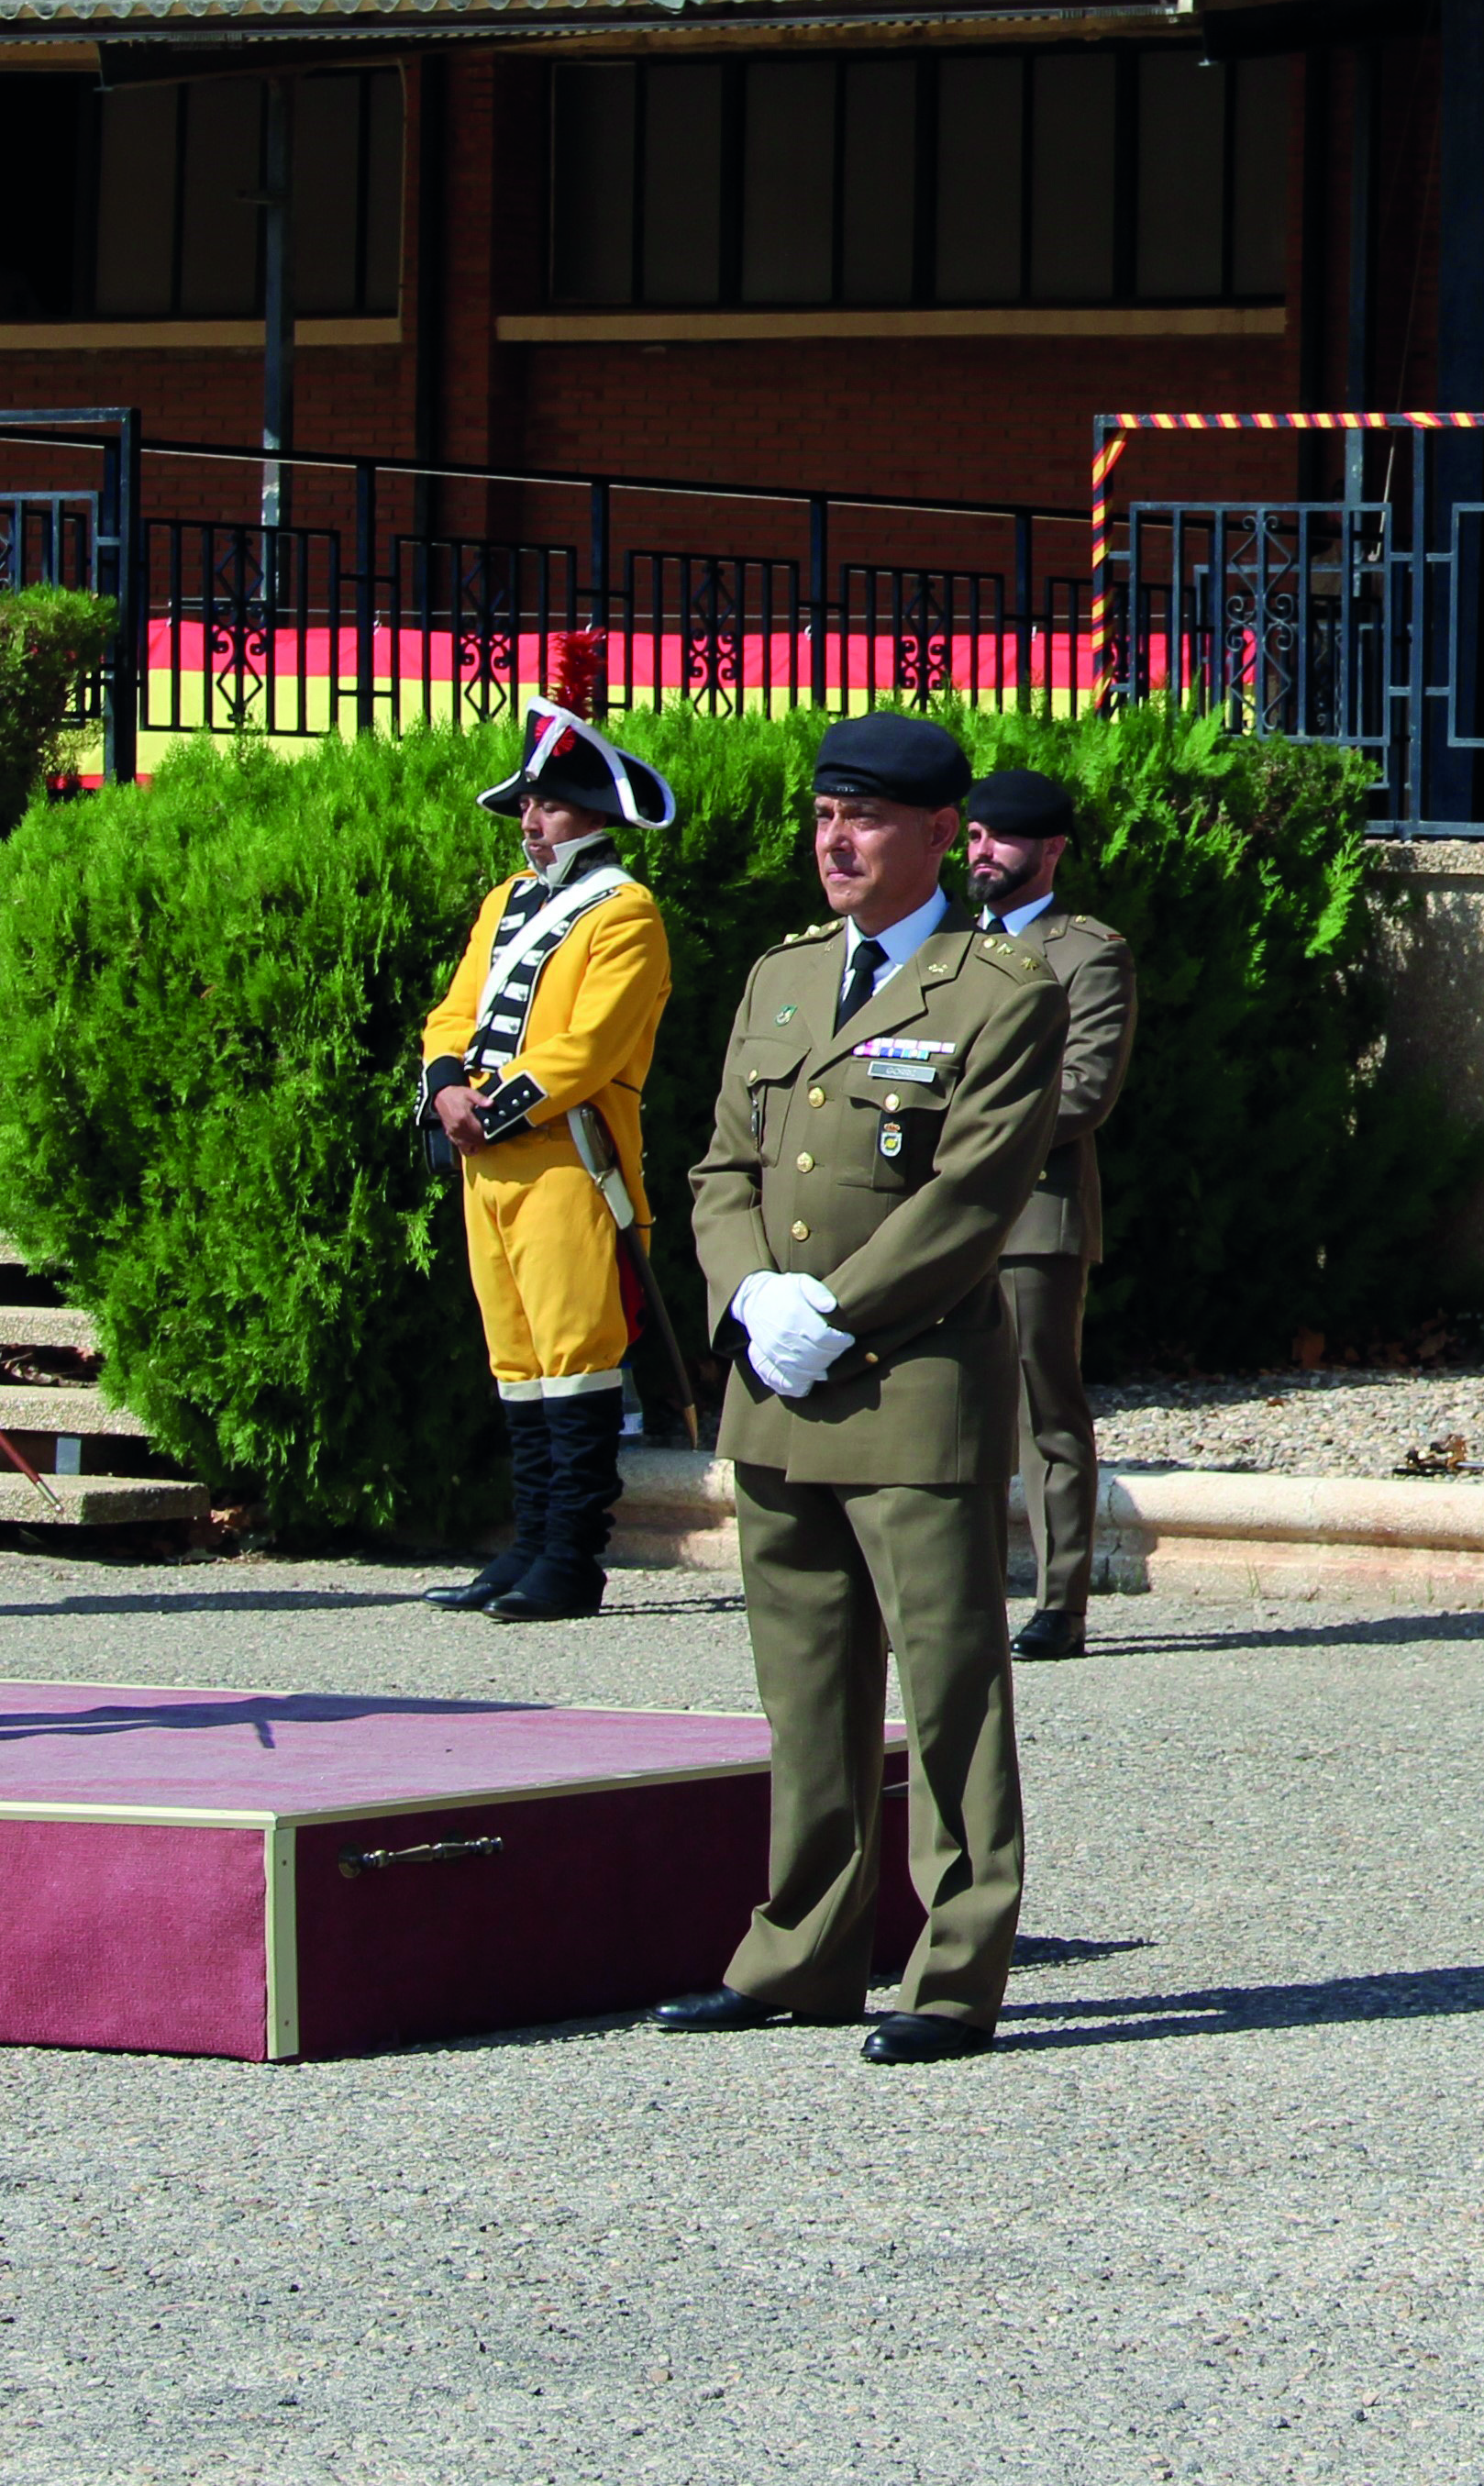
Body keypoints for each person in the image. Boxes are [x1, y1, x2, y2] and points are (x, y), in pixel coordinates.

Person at [653, 716, 1065, 2064]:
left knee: (948, 1694)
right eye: (826, 814)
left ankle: (955, 1972)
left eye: (869, 819)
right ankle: (799, 1957)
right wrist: (751, 1295)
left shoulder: (998, 988)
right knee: (807, 1690)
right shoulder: (780, 978)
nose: (836, 841)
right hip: (780, 1384)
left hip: (908, 1384)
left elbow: (973, 1193)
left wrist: (837, 1306)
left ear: (944, 831)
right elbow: (723, 1165)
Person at [415, 703, 679, 1623]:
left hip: (568, 1155)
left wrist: (492, 1103)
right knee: (518, 1361)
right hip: (486, 1157)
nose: (531, 820)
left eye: (551, 805)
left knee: (575, 1360)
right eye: (529, 803)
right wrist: (446, 1084)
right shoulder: (505, 901)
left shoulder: (627, 911)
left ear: (596, 818)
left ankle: (572, 1557)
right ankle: (526, 1543)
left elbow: (590, 1046)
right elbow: (456, 1011)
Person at [960, 765, 1140, 1661]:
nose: (982, 852)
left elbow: (1082, 1093)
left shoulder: (1088, 952)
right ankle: (951, 1592)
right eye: (974, 836)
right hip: (934, 1212)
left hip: (1032, 1214)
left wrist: (965, 1135)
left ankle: (1059, 1600)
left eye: (1002, 837)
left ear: (1052, 848)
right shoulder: (947, 946)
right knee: (941, 1402)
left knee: (1042, 1411)